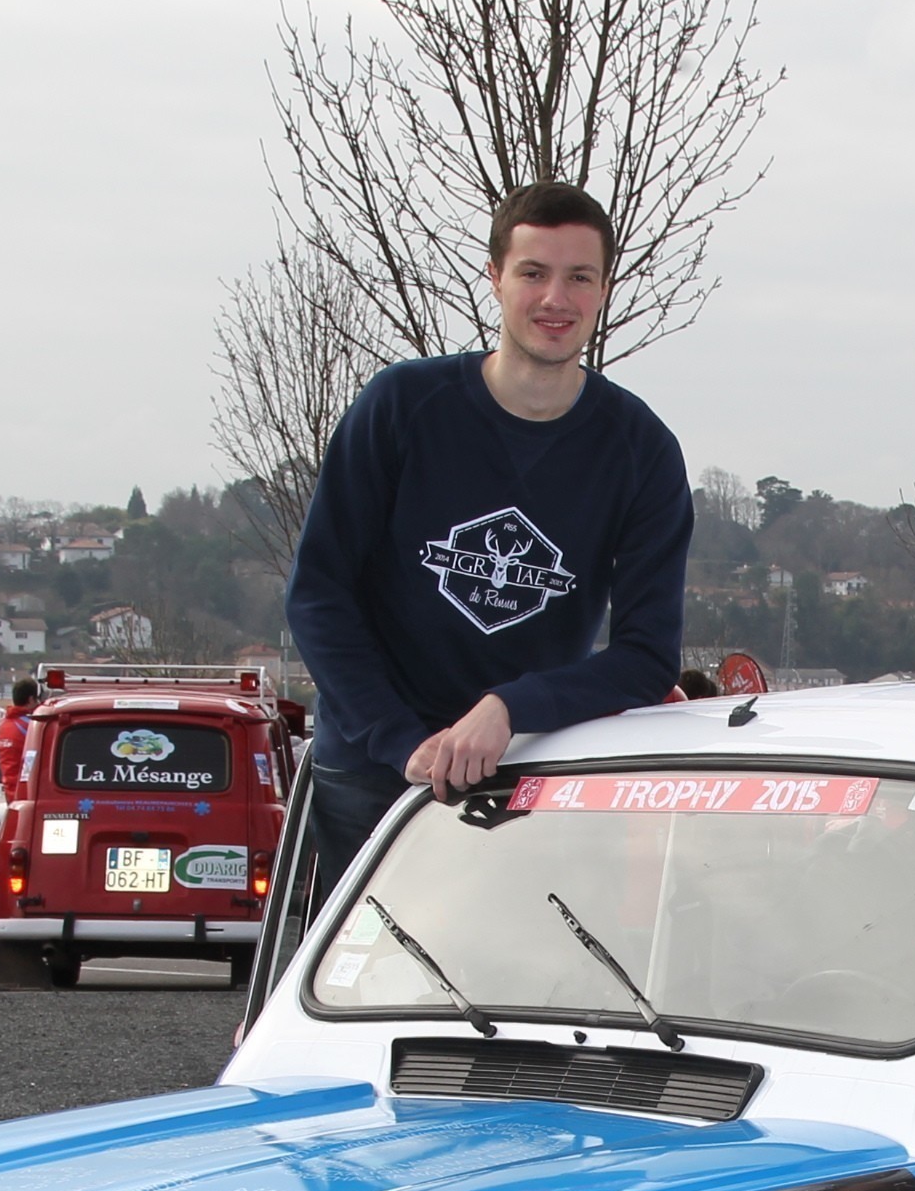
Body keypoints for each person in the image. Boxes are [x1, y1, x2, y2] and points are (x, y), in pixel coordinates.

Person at [283, 181, 689, 896]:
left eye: (579, 277)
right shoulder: (402, 408)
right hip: (374, 770)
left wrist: (510, 709)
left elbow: (646, 657)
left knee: (525, 988)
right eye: (533, 272)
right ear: (496, 277)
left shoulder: (641, 450)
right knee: (362, 991)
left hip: (531, 773)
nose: (554, 298)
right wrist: (398, 739)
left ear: (603, 290)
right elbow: (319, 595)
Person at [0, 675, 41, 798]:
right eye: (37, 699)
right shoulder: (32, 725)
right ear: (31, 699)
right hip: (26, 791)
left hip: (9, 790)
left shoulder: (4, 724)